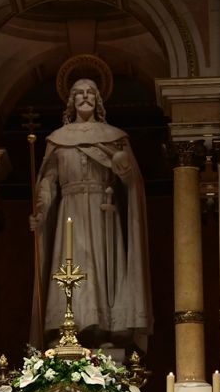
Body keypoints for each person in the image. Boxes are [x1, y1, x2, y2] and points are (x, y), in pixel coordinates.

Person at [31, 77, 151, 347]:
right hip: (68, 212)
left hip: (102, 212)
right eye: (79, 94)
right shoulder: (58, 140)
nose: (85, 97)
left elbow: (131, 183)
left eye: (90, 93)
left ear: (98, 100)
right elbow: (48, 181)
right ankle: (66, 331)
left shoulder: (115, 138)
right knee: (70, 266)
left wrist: (123, 168)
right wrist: (41, 208)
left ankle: (103, 329)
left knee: (100, 267)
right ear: (71, 102)